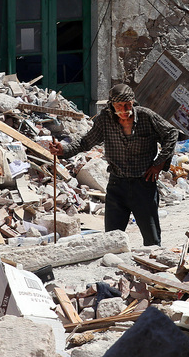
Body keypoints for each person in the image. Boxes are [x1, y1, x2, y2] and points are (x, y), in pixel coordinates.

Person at [50, 84, 178, 246]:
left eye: (128, 105)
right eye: (119, 106)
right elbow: (86, 141)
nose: (124, 110)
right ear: (112, 105)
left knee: (152, 239)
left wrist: (159, 163)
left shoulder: (146, 116)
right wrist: (64, 150)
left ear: (133, 102)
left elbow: (171, 133)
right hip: (117, 186)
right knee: (111, 239)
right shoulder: (105, 119)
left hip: (144, 185)